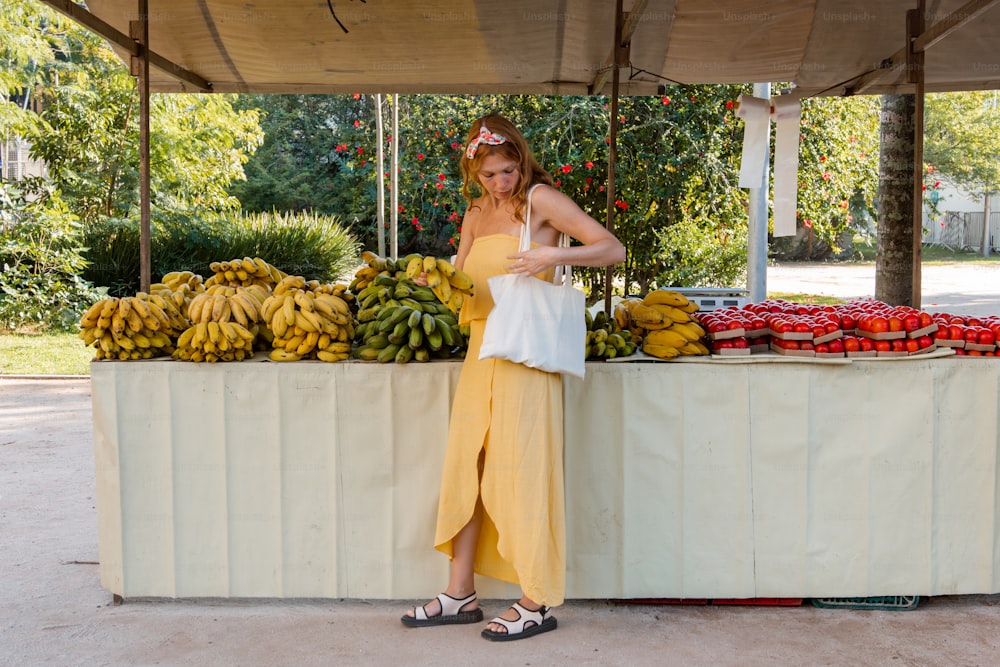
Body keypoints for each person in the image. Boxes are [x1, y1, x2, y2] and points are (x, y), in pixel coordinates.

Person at [401, 113, 625, 641]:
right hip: (481, 352)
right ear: (473, 175)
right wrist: (434, 279)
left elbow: (610, 247)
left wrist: (553, 253)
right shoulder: (476, 212)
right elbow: (462, 286)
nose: (501, 183)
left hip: (525, 355)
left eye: (508, 170)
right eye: (489, 175)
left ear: (521, 160)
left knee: (524, 471)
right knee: (469, 467)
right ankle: (460, 593)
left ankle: (538, 598)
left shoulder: (542, 199)